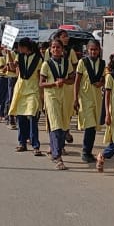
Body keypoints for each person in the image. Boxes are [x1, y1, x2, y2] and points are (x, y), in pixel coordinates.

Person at [40, 37, 72, 167]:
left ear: (62, 49)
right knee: (55, 125)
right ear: (50, 50)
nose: (55, 49)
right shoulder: (46, 64)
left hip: (64, 96)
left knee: (64, 126)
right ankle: (57, 156)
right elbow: (41, 83)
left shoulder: (66, 62)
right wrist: (53, 83)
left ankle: (55, 150)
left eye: (58, 47)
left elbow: (72, 79)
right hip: (51, 96)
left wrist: (63, 81)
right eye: (53, 47)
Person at [8, 38, 43, 154]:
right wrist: (8, 54)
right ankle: (22, 142)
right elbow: (13, 68)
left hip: (33, 90)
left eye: (20, 47)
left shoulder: (38, 59)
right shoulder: (20, 57)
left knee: (33, 117)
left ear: (26, 47)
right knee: (21, 117)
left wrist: (41, 94)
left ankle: (35, 145)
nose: (19, 49)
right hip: (21, 89)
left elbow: (39, 76)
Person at [73, 39, 105, 163]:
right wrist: (75, 98)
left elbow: (103, 79)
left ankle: (88, 151)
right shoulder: (82, 62)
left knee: (93, 126)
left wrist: (100, 83)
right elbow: (77, 81)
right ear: (87, 50)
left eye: (95, 49)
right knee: (89, 125)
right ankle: (86, 151)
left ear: (99, 50)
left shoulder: (102, 63)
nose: (93, 52)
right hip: (85, 97)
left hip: (96, 97)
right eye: (91, 49)